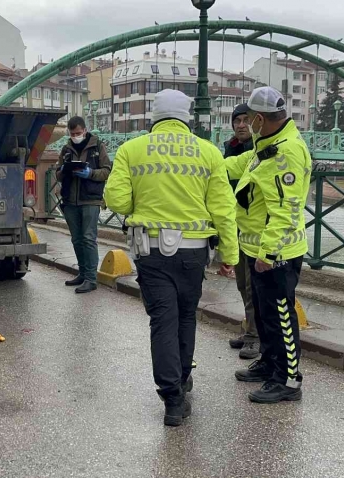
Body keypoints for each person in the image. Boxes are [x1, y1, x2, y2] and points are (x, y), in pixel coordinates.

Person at [105, 89, 239, 426]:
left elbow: (117, 201)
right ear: (186, 117)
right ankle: (183, 376)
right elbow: (223, 209)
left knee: (162, 319)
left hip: (150, 249)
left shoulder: (131, 150)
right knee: (186, 316)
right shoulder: (208, 153)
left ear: (154, 116)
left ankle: (172, 399)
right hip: (194, 251)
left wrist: (142, 202)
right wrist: (230, 255)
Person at [223, 87, 312, 404]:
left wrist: (269, 254)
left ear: (260, 119)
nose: (247, 125)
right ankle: (268, 363)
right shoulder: (267, 145)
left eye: (250, 119)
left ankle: (288, 380)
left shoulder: (285, 152)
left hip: (276, 253)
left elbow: (287, 210)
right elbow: (240, 164)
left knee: (280, 317)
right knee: (262, 315)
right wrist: (207, 164)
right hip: (256, 246)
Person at [55, 117, 112, 293]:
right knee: (77, 239)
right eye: (72, 134)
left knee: (88, 238)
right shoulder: (66, 149)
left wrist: (90, 173)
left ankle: (91, 278)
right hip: (71, 200)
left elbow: (107, 171)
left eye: (78, 133)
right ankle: (82, 273)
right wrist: (63, 170)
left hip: (90, 199)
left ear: (85, 131)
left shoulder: (97, 146)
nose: (75, 136)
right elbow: (57, 173)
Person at [223, 103, 260, 361]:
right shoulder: (230, 149)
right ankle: (250, 328)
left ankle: (255, 337)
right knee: (241, 283)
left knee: (252, 285)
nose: (241, 125)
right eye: (237, 120)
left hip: (256, 229)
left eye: (246, 120)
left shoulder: (259, 150)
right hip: (236, 224)